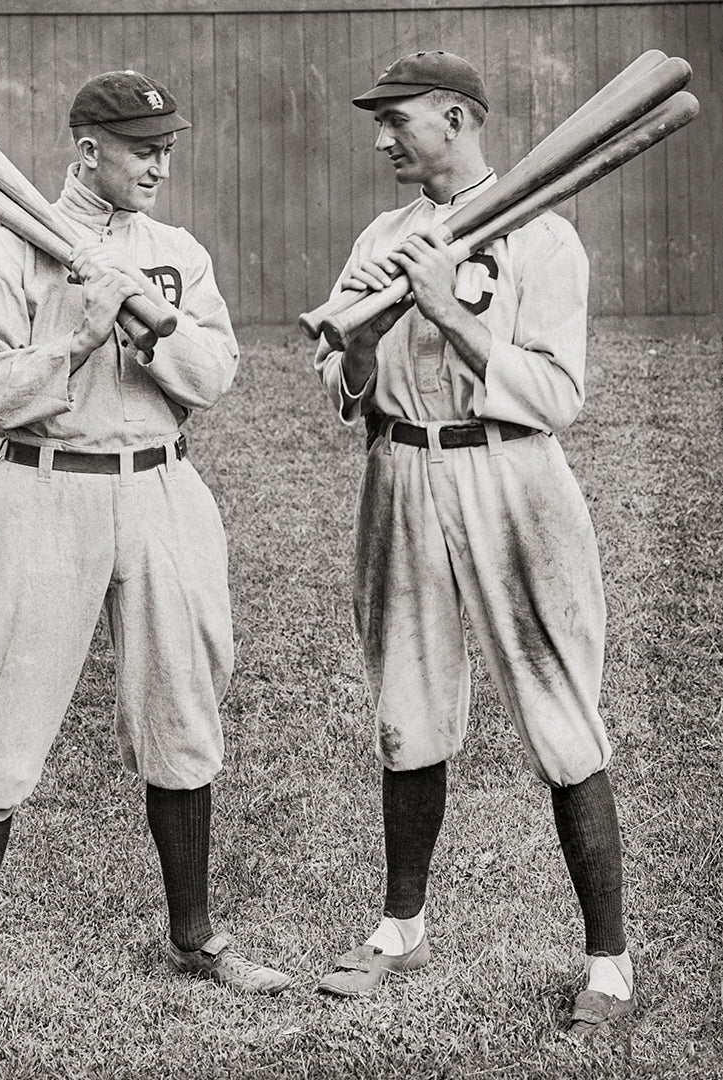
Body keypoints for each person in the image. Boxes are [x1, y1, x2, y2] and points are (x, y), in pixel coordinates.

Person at [0, 70, 291, 1057]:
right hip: (43, 489)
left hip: (163, 486)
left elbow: (212, 375)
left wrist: (145, 320)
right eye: (141, 148)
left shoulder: (176, 252)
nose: (159, 164)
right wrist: (77, 337)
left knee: (183, 711)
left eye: (167, 146)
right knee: (1, 731)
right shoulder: (6, 247)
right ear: (88, 148)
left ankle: (195, 935)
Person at [313, 51, 634, 1035]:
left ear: (454, 118)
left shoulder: (543, 234)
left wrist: (447, 312)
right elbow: (343, 387)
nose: (381, 139)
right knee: (406, 708)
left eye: (397, 120)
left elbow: (558, 394)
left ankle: (610, 966)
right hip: (402, 472)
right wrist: (357, 346)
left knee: (560, 712)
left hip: (511, 476)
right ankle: (400, 929)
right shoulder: (382, 236)